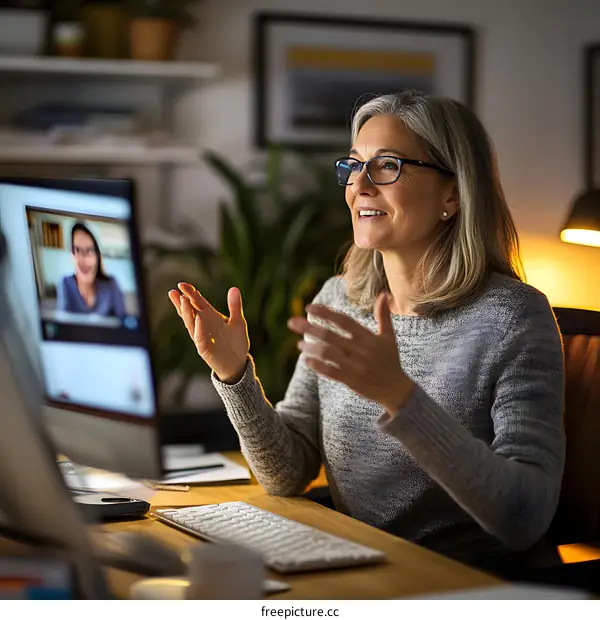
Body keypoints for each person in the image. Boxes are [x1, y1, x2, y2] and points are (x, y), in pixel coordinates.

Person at [168, 90, 566, 573]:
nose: (359, 185)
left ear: (453, 194)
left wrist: (401, 398)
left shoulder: (513, 318)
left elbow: (524, 517)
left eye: (388, 166)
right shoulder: (339, 299)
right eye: (354, 165)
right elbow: (288, 472)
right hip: (353, 559)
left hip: (455, 581)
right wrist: (235, 376)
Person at [57, 221, 126, 319]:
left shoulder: (111, 284)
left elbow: (123, 325)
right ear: (72, 255)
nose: (83, 259)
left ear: (97, 256)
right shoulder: (65, 283)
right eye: (78, 250)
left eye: (89, 250)